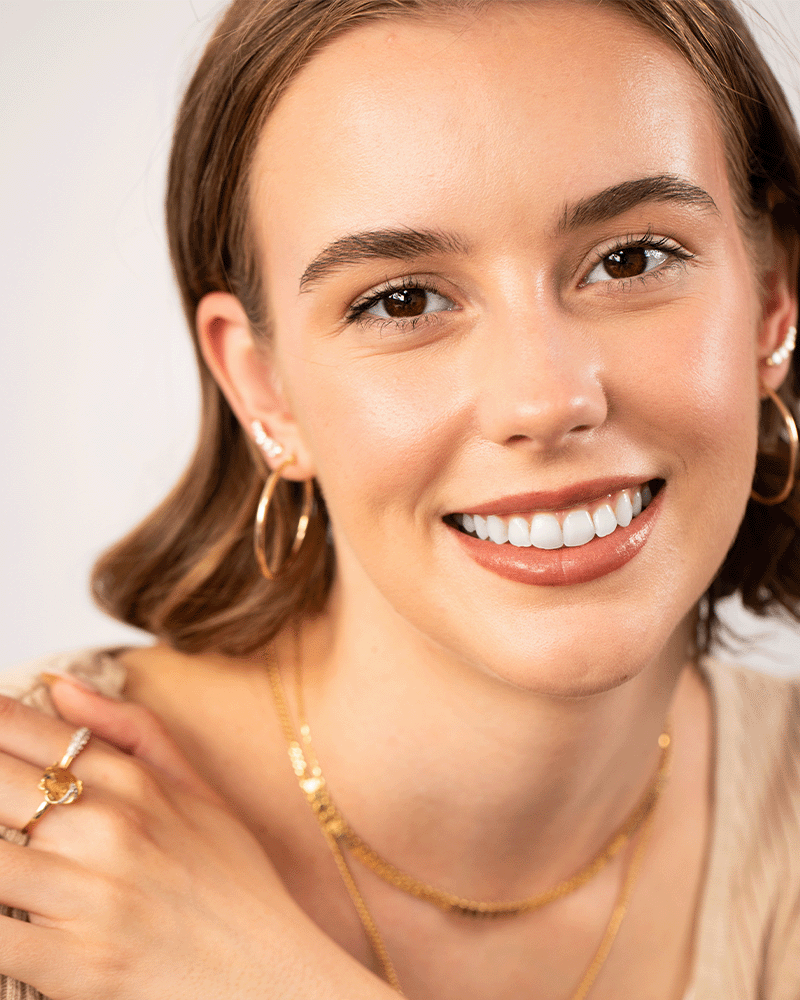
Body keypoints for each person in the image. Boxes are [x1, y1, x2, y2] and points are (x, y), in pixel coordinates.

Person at [1, 0, 799, 997]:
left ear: (772, 296)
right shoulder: (29, 845)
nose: (544, 400)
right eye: (402, 299)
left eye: (629, 259)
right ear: (262, 386)